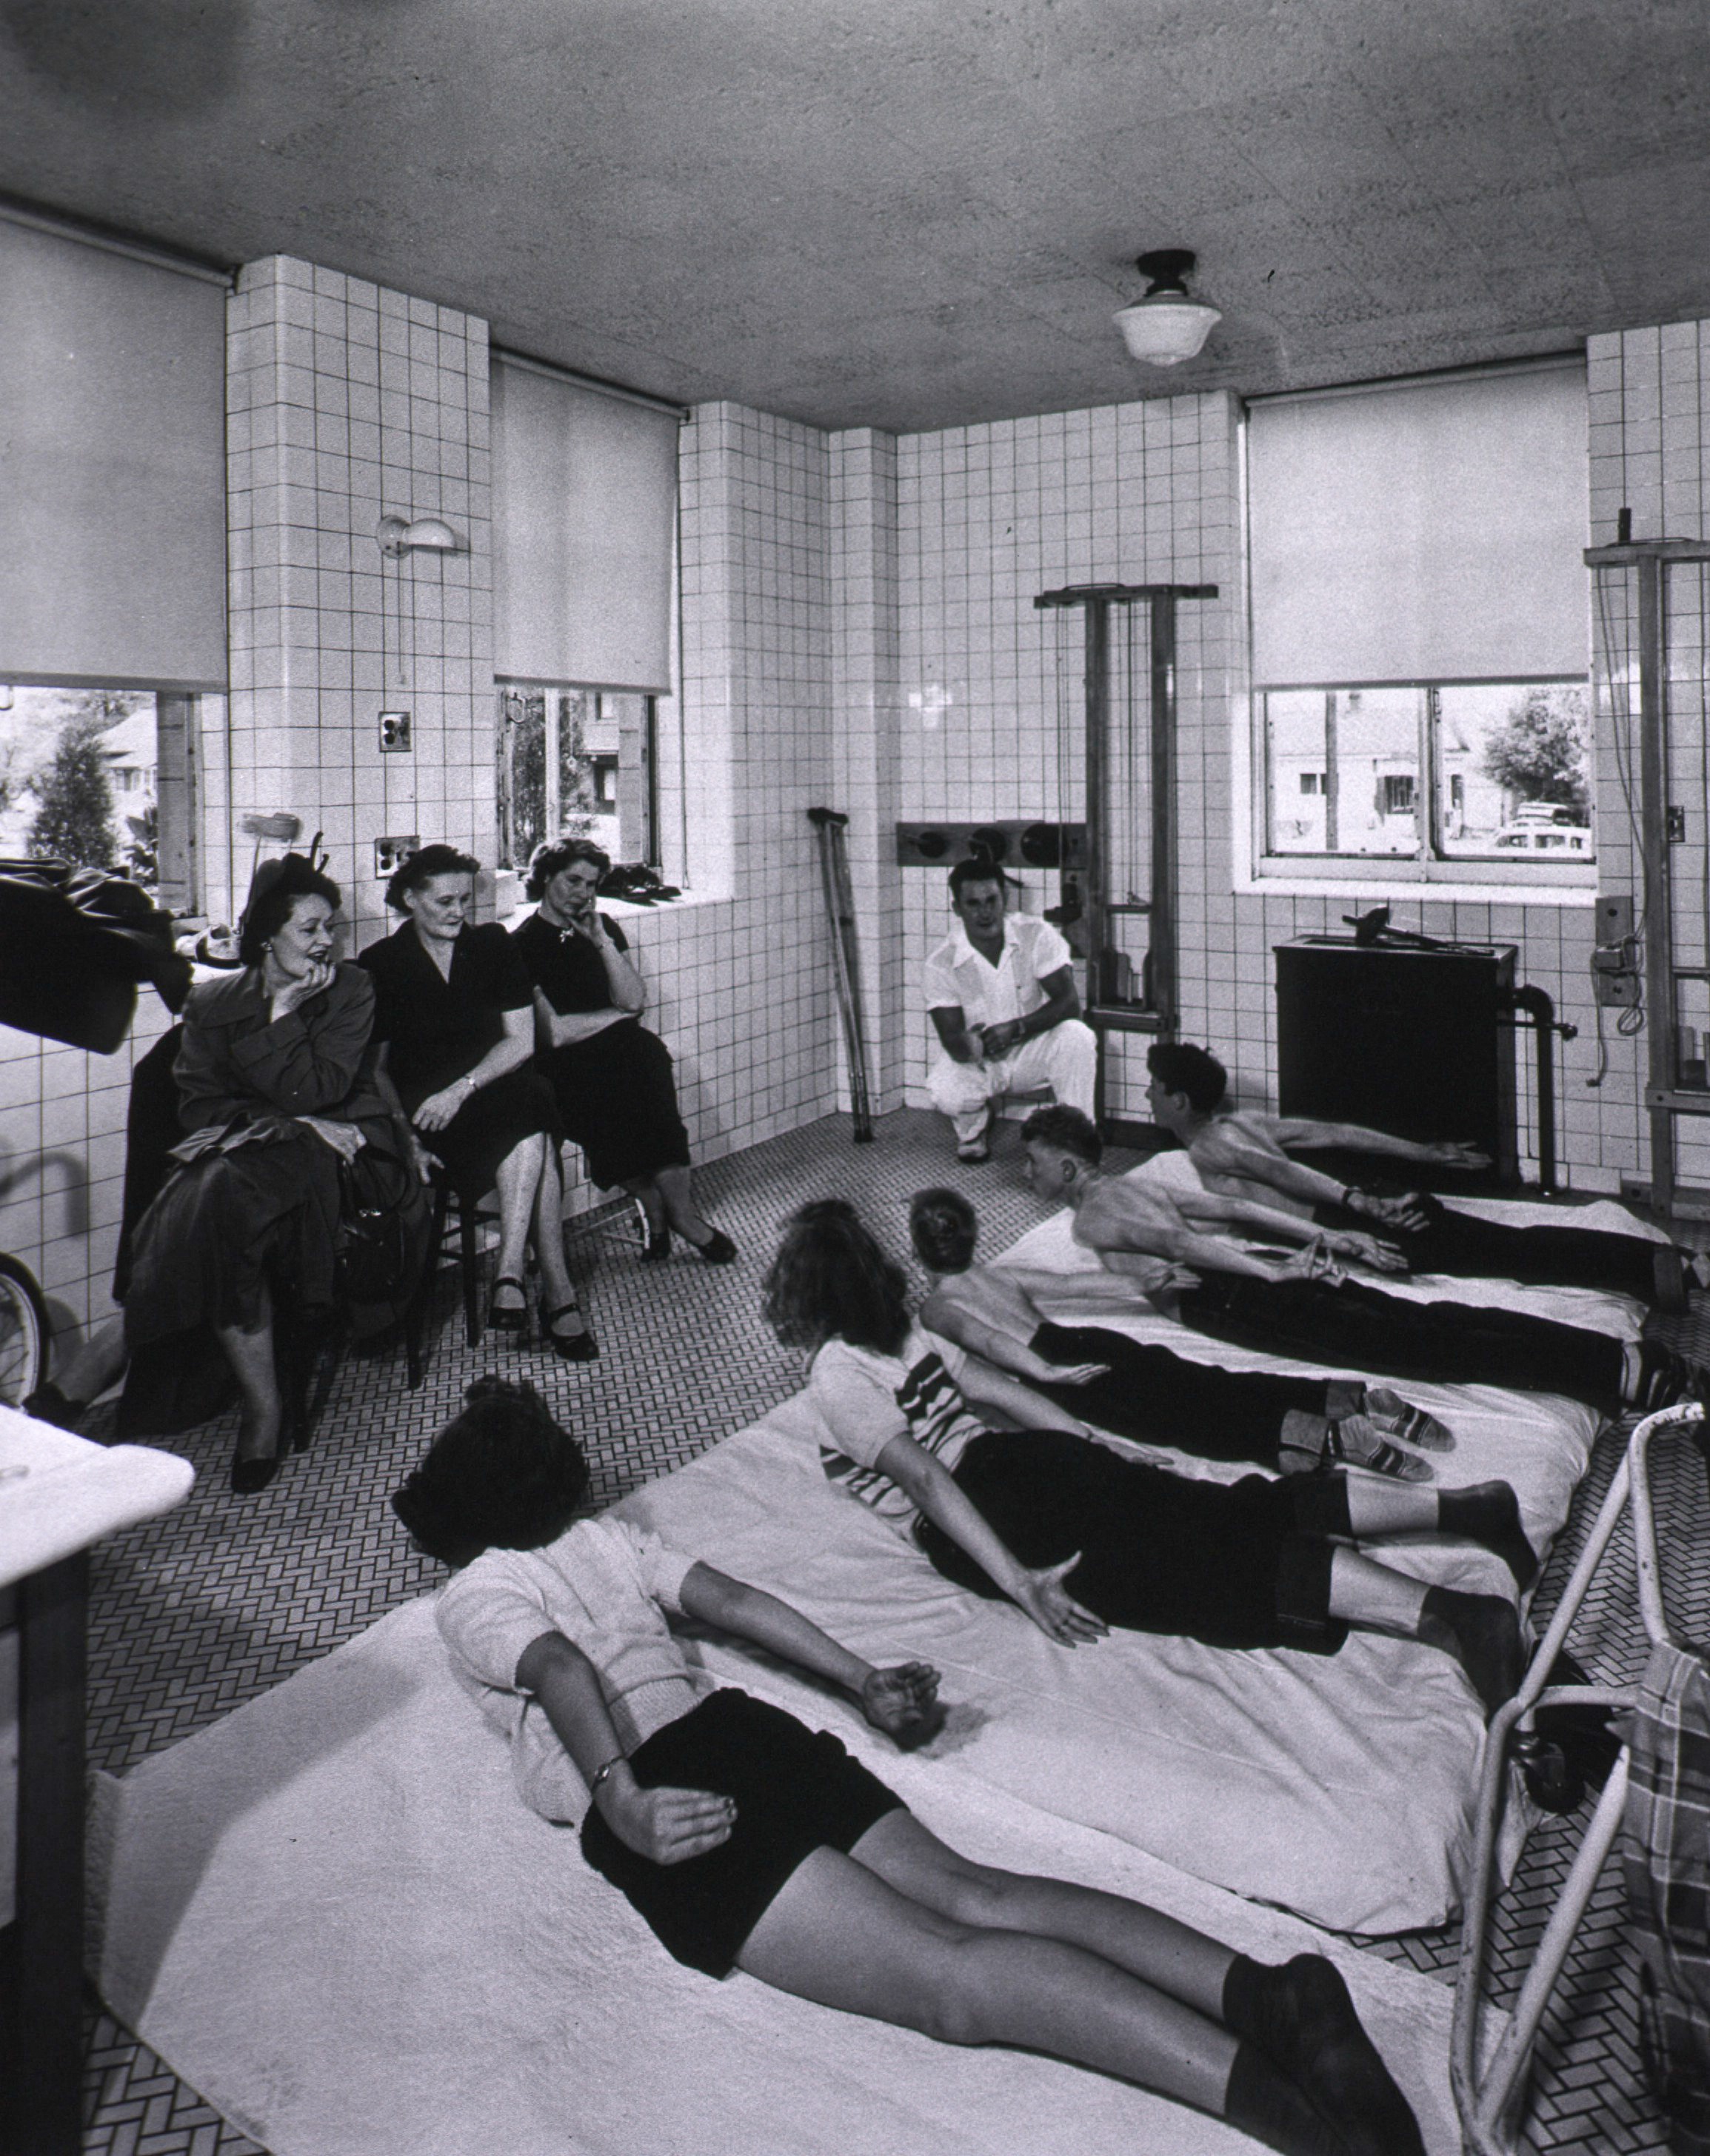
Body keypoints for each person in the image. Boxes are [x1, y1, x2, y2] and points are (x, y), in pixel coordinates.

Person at [396, 1373, 1423, 2156]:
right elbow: (738, 1603)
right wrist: (860, 1679)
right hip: (745, 1732)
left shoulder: (471, 1594)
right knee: (978, 1891)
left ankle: (1296, 2122)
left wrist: (620, 1801)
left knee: (950, 1979)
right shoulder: (603, 1538)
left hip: (668, 1789)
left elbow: (560, 1664)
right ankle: (1267, 1990)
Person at [762, 1199, 1535, 1718]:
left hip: (995, 1503)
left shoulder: (835, 1372)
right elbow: (989, 1383)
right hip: (1028, 1459)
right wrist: (1083, 1440)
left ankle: (1452, 1616)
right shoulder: (900, 1328)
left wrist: (1020, 1582)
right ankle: (1461, 1511)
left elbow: (928, 1480)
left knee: (1200, 1572)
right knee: (1221, 1511)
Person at [1019, 1104, 1704, 1418]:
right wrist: (1327, 1241)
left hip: (1236, 1296)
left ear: (1070, 1163)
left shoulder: (1097, 1212)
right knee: (1432, 1321)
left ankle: (1614, 1370)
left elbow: (1184, 1246)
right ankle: (1620, 1360)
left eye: (1035, 1162)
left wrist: (1274, 1269)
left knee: (1428, 1346)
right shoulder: (1135, 1184)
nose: (1026, 1172)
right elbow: (1234, 1214)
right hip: (1256, 1274)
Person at [121, 855, 418, 1490]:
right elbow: (198, 1107)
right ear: (266, 937)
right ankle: (265, 1408)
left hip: (337, 1154)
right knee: (231, 1209)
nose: (326, 942)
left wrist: (284, 1026)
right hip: (263, 1153)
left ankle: (96, 1366)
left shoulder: (351, 988)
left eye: (330, 928)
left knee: (217, 1188)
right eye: (310, 929)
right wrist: (294, 1111)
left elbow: (321, 1089)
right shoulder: (211, 1000)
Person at [908, 1185, 1451, 1479]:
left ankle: (1329, 1437)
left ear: (917, 1252)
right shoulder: (998, 1275)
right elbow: (1073, 1283)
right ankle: (1352, 1397)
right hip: (1093, 1342)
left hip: (1060, 1369)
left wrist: (1044, 1372)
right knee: (1211, 1382)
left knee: (1191, 1418)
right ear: (973, 1235)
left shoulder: (936, 1307)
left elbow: (988, 1343)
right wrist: (1141, 1280)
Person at [1146, 1041, 1704, 1308]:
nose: (1147, 1096)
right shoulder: (1242, 1121)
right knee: (1511, 1246)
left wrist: (1359, 1203)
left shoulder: (1213, 1145)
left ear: (1178, 1099)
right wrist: (1425, 1153)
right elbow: (1338, 1132)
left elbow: (1281, 1173)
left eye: (1153, 1088)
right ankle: (1660, 1267)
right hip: (1374, 1202)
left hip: (1368, 1218)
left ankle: (1666, 1269)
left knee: (1515, 1254)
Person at [358, 845, 595, 1358]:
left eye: (464, 899)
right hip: (429, 1119)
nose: (457, 911)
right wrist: (407, 1141)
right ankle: (556, 1292)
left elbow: (520, 1041)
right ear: (408, 899)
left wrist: (460, 1089)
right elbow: (375, 1071)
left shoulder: (490, 945)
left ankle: (508, 1269)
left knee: (531, 1097)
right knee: (536, 1127)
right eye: (443, 900)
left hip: (483, 1093)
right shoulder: (380, 964)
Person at [511, 838, 734, 1264]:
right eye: (573, 880)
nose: (583, 893)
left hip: (624, 1050)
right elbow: (555, 1033)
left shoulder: (604, 927)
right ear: (544, 879)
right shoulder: (521, 943)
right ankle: (654, 1207)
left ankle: (683, 1217)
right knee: (609, 1124)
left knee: (653, 1075)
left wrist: (601, 942)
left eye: (592, 884)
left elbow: (634, 999)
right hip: (566, 1063)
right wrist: (616, 1015)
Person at [924, 855, 1096, 1163]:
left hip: (1030, 1051)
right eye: (973, 903)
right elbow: (950, 1039)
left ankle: (1078, 1141)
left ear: (1005, 898)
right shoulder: (941, 962)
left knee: (1077, 1035)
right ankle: (972, 1131)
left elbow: (1069, 1004)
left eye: (992, 900)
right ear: (957, 908)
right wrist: (969, 1045)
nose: (985, 912)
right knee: (944, 1090)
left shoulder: (1037, 933)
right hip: (983, 1063)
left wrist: (1017, 1029)